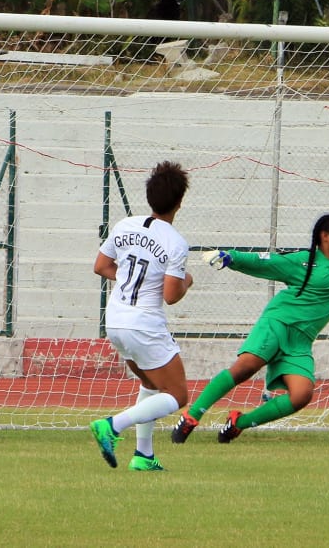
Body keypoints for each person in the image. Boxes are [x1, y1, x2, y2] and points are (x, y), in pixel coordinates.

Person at [170, 171, 329, 444]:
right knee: (246, 367)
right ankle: (192, 416)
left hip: (301, 340)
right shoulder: (303, 261)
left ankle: (238, 423)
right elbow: (264, 262)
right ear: (325, 236)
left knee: (301, 395)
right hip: (278, 323)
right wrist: (230, 257)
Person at [89, 161, 194, 471]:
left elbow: (101, 266)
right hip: (143, 324)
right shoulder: (175, 242)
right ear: (180, 202)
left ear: (149, 197)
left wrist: (128, 279)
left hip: (115, 320)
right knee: (178, 395)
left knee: (150, 382)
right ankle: (112, 425)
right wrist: (187, 281)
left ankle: (143, 456)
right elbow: (171, 295)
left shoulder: (125, 225)